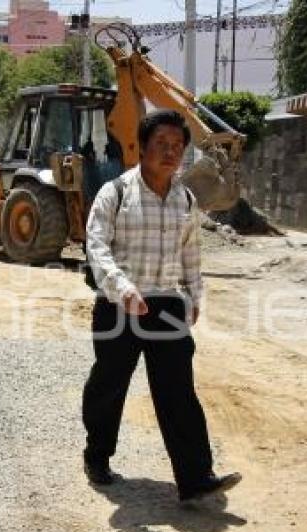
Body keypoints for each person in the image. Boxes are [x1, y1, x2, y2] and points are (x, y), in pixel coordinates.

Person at [82, 110, 241, 503]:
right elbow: (96, 246)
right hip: (118, 305)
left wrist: (193, 295)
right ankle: (97, 456)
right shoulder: (115, 192)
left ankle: (195, 478)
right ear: (142, 147)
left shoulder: (185, 198)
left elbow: (190, 251)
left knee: (178, 391)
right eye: (161, 145)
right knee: (109, 383)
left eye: (177, 147)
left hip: (166, 305)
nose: (170, 153)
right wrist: (122, 288)